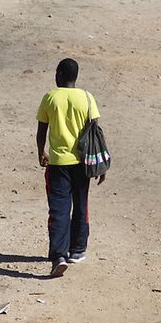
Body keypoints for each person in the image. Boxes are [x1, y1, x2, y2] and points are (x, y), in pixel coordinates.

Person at [36, 57, 104, 277]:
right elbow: (96, 134)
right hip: (83, 163)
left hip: (57, 164)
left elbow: (41, 131)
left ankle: (58, 256)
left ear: (59, 74)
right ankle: (77, 250)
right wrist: (101, 164)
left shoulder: (51, 97)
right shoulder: (86, 97)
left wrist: (41, 152)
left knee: (59, 210)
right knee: (81, 205)